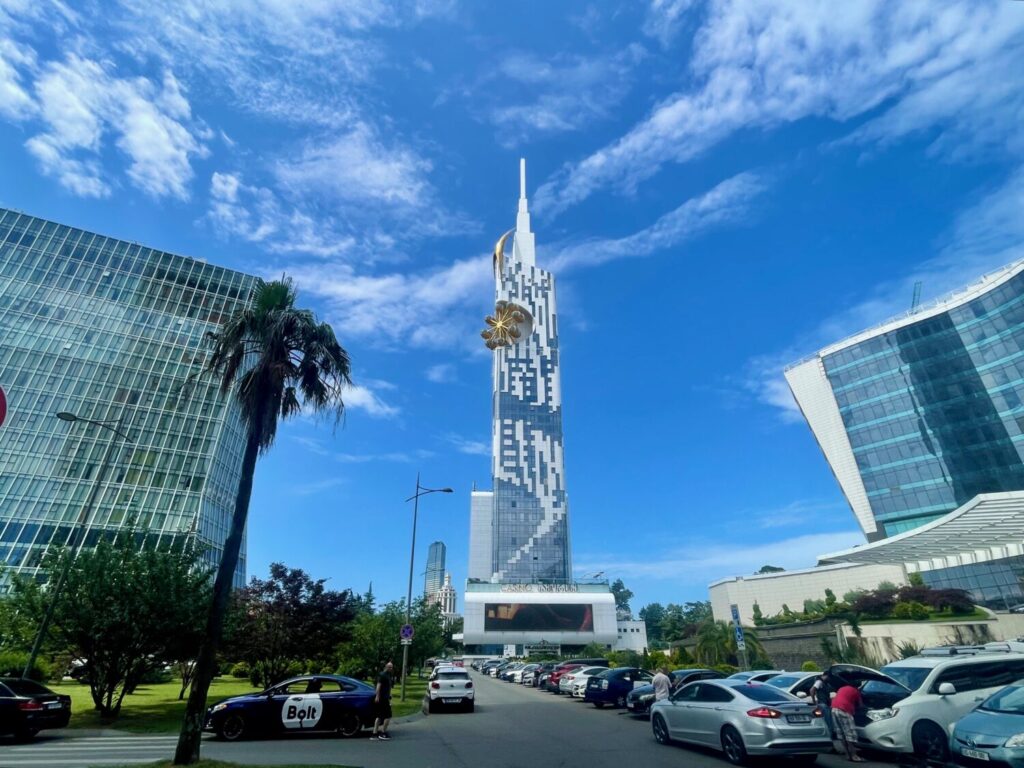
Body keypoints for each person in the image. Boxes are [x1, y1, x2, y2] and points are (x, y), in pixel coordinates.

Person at [831, 681, 865, 762]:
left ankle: (847, 754)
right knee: (850, 734)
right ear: (858, 686)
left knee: (841, 733)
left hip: (834, 709)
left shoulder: (842, 688)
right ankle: (854, 756)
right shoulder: (855, 691)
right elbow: (861, 705)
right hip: (844, 710)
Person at [372, 661, 394, 741]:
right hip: (382, 699)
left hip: (385, 697)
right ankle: (383, 733)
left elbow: (387, 687)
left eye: (391, 667)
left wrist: (389, 695)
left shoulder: (388, 675)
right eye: (389, 667)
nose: (390, 668)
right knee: (388, 716)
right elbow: (378, 686)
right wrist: (377, 696)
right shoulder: (383, 675)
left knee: (379, 716)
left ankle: (374, 734)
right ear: (386, 667)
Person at [811, 670, 834, 738]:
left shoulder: (824, 683)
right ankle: (829, 737)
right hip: (822, 704)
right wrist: (814, 702)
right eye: (829, 677)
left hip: (825, 704)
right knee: (828, 722)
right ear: (826, 676)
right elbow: (812, 690)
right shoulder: (819, 682)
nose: (830, 679)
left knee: (828, 721)